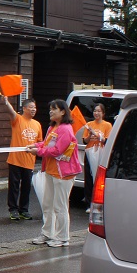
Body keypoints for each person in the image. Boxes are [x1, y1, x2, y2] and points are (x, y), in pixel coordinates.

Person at [28, 99, 82, 247]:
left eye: (54, 109)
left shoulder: (65, 128)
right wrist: (36, 145)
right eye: (50, 109)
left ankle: (62, 237)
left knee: (60, 206)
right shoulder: (53, 127)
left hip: (64, 173)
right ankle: (47, 233)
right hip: (51, 171)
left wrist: (38, 151)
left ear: (63, 112)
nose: (51, 111)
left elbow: (58, 150)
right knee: (47, 204)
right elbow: (46, 144)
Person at [0, 96, 42, 221]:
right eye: (31, 107)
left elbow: (39, 142)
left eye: (35, 107)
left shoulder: (37, 124)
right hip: (15, 160)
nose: (34, 110)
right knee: (14, 186)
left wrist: (36, 149)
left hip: (29, 161)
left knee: (26, 186)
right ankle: (13, 209)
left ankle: (24, 210)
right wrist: (7, 102)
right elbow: (11, 112)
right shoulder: (18, 119)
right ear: (24, 108)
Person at [80, 102, 112, 210]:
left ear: (103, 113)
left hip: (101, 153)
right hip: (90, 153)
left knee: (99, 178)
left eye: (99, 111)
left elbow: (107, 140)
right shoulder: (89, 124)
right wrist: (90, 134)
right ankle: (89, 203)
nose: (96, 113)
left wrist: (96, 134)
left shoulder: (107, 125)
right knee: (88, 178)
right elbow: (85, 141)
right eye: (95, 111)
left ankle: (99, 203)